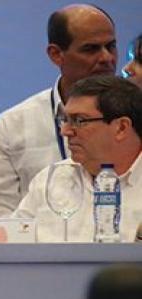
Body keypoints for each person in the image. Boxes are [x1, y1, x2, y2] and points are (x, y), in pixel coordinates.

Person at [0, 4, 117, 217]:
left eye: (111, 46)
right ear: (56, 54)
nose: (107, 58)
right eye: (91, 49)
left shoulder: (136, 112)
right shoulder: (15, 123)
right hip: (41, 246)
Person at [13, 75, 141, 242]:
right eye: (65, 120)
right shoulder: (51, 180)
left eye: (79, 121)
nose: (65, 131)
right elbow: (12, 242)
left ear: (121, 128)